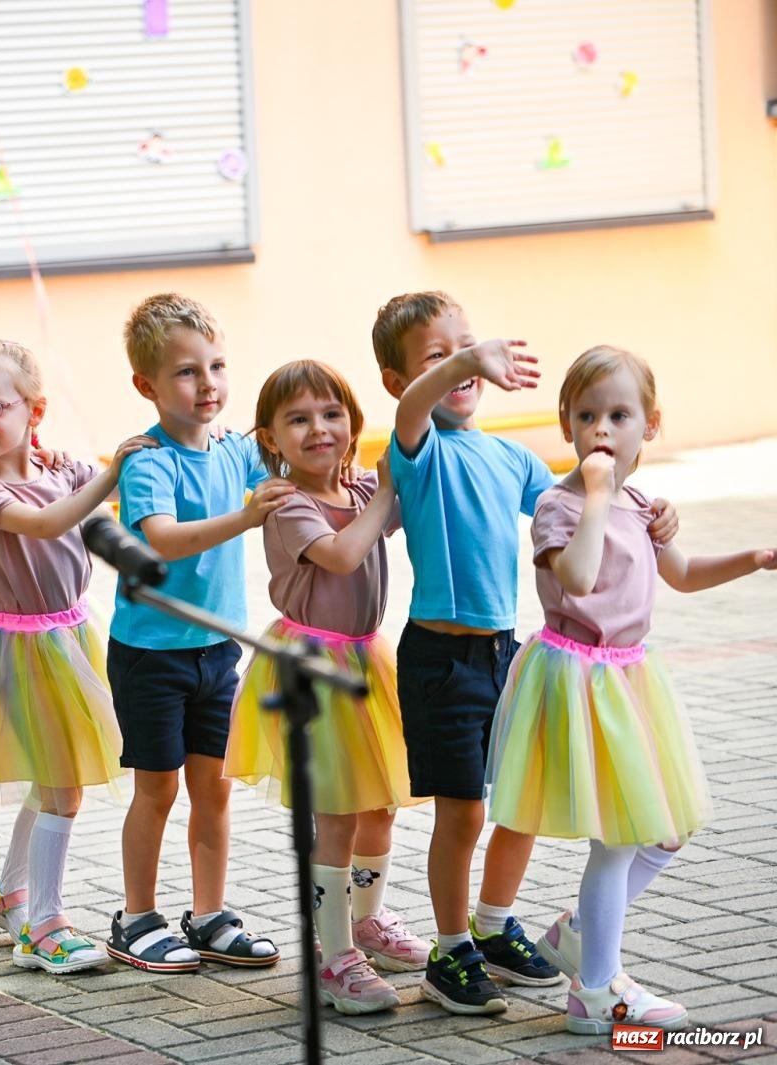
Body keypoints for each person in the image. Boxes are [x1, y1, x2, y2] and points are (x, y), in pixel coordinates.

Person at [373, 292, 677, 1013]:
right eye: (437, 357)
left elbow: (580, 504)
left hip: (504, 655)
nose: (463, 366)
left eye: (469, 346)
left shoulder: (509, 455)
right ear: (401, 380)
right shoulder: (417, 448)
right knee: (462, 812)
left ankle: (494, 922)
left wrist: (656, 509)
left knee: (517, 805)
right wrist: (470, 362)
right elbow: (414, 408)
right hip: (440, 658)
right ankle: (450, 951)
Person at [486, 345, 773, 1035]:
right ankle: (594, 991)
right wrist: (592, 495)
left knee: (664, 830)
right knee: (618, 839)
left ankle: (582, 934)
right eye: (587, 416)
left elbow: (681, 571)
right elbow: (579, 579)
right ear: (567, 426)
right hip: (577, 678)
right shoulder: (560, 506)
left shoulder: (642, 503)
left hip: (627, 676)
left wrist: (754, 557)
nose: (602, 430)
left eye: (619, 414)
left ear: (651, 424)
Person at [225, 360, 426, 1014]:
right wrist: (383, 496)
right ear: (272, 439)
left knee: (380, 804)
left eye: (332, 413)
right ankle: (332, 951)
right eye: (299, 419)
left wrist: (385, 488)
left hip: (368, 660)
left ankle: (365, 919)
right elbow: (342, 555)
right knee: (335, 812)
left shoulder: (361, 488)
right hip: (313, 665)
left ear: (352, 423)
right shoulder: (288, 505)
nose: (319, 429)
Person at [0, 339, 151, 974]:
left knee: (53, 778)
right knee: (63, 786)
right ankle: (45, 924)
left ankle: (14, 892)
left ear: (34, 410)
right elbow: (45, 523)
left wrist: (85, 468)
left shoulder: (57, 471)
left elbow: (90, 502)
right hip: (20, 645)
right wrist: (110, 470)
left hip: (70, 636)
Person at [104, 294, 293, 973]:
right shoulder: (148, 461)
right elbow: (162, 539)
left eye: (216, 365)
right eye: (187, 371)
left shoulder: (235, 451)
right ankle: (136, 916)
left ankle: (209, 912)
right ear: (146, 386)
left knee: (212, 788)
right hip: (151, 655)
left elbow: (288, 469)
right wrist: (246, 520)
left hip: (217, 652)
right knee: (156, 790)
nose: (207, 383)